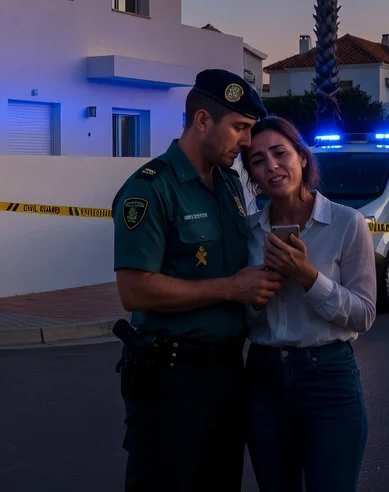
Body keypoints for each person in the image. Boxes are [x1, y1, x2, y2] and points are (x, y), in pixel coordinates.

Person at [111, 68, 281, 492]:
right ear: (202, 120)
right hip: (171, 381)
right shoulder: (151, 190)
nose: (246, 142)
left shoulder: (228, 183)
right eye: (239, 128)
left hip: (227, 373)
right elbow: (134, 290)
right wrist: (229, 288)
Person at [240, 116, 376, 492]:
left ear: (302, 158)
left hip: (328, 378)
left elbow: (364, 314)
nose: (271, 165)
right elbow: (244, 319)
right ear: (252, 175)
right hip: (264, 378)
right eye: (257, 160)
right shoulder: (247, 232)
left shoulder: (347, 224)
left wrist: (307, 276)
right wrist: (257, 291)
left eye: (280, 153)